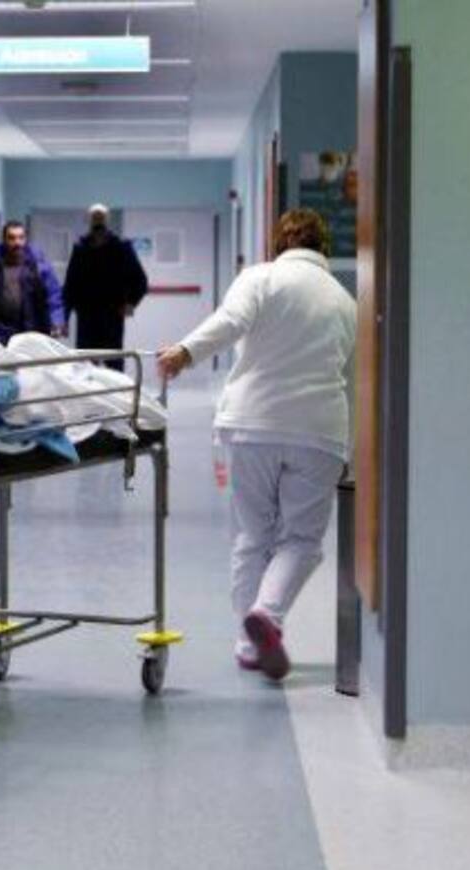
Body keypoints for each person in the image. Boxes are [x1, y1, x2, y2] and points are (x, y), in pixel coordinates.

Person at [157, 209, 356, 682]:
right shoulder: (345, 301)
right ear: (324, 247)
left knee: (252, 536)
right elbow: (353, 376)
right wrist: (353, 449)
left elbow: (231, 321)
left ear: (278, 243)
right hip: (320, 431)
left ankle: (250, 643)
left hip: (252, 424)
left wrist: (186, 352)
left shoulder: (261, 277)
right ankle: (267, 614)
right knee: (301, 541)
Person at [63, 204, 149, 371]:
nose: (98, 221)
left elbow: (140, 280)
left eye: (101, 217)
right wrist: (64, 318)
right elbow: (70, 286)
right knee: (85, 367)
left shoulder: (121, 247)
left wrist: (131, 303)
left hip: (112, 316)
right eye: (95, 217)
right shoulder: (80, 248)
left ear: (107, 220)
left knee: (114, 366)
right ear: (89, 220)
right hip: (86, 317)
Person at [0, 220, 65, 345]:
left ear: (26, 239)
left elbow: (53, 293)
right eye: (11, 238)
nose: (17, 242)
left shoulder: (37, 263)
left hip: (33, 328)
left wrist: (56, 320)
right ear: (4, 240)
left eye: (21, 237)